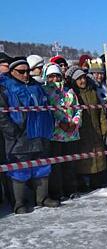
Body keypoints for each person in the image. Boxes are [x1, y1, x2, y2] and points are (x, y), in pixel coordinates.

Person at [0, 57, 58, 213]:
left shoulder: (36, 86)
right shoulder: (4, 87)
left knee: (42, 167)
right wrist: (12, 131)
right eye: (21, 72)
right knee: (19, 170)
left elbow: (47, 106)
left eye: (28, 71)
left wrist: (50, 125)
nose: (26, 75)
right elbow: (2, 115)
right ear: (12, 71)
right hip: (19, 137)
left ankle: (42, 197)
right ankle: (19, 203)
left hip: (40, 133)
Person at [42, 63, 82, 201]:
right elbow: (49, 110)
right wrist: (61, 122)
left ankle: (71, 188)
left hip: (71, 134)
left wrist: (75, 123)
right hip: (56, 134)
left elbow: (77, 108)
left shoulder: (69, 91)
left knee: (70, 163)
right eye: (51, 76)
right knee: (56, 166)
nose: (54, 79)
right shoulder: (45, 91)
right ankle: (57, 191)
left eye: (57, 76)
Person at [66, 66, 107, 191]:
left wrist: (104, 126)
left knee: (98, 155)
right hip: (82, 129)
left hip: (95, 128)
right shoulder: (74, 94)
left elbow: (100, 111)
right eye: (79, 79)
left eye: (84, 78)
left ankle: (97, 180)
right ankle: (83, 182)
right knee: (84, 158)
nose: (83, 81)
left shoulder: (92, 92)